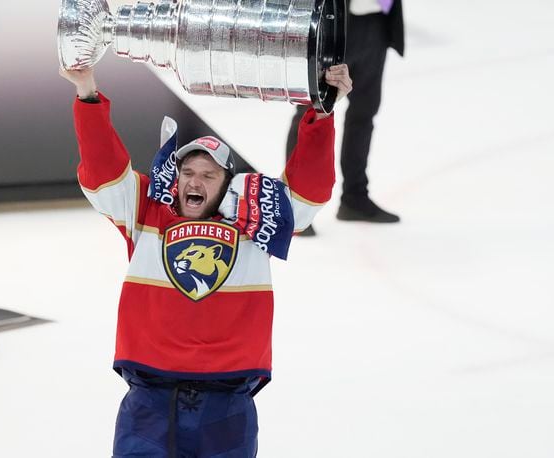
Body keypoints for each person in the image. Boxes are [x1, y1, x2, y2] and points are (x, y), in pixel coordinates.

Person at [60, 64, 351, 457]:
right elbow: (102, 174)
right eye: (188, 172)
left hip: (226, 405)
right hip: (149, 400)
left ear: (227, 182)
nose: (194, 182)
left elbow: (309, 191)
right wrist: (86, 92)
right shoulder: (146, 208)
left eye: (208, 175)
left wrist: (322, 112)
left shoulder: (253, 218)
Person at [286, 0, 404, 228]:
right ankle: (291, 204)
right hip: (334, 22)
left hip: (378, 22)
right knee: (311, 109)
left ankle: (355, 197)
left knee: (364, 112)